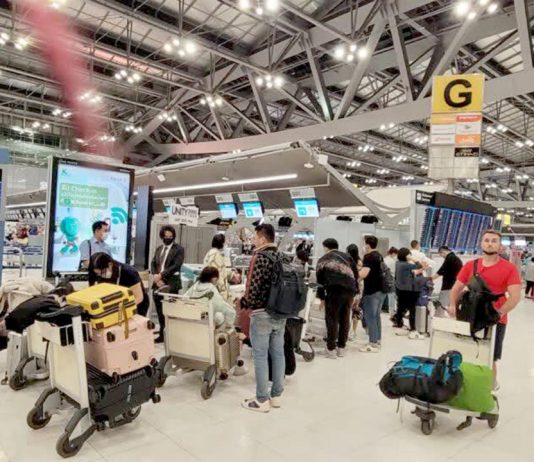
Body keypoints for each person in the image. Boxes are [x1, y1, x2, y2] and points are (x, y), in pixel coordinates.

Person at [447, 230, 521, 389]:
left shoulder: (509, 268)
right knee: (467, 350)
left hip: (495, 320)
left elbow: (515, 296)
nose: (490, 243)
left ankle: (490, 388)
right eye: (486, 240)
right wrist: (452, 304)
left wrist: (499, 313)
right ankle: (465, 386)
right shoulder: (470, 266)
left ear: (500, 246)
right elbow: (456, 288)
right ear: (481, 243)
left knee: (490, 357)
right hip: (470, 315)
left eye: (494, 241)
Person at [241, 224, 285, 413]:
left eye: (255, 237)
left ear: (262, 239)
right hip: (280, 313)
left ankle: (261, 399)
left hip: (261, 313)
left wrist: (245, 303)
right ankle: (276, 396)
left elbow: (253, 286)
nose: (253, 240)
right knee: (278, 354)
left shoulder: (260, 257)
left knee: (260, 355)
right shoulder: (282, 256)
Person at [316, 239, 358, 359]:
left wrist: (321, 298)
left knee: (332, 318)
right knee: (345, 318)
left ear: (326, 247)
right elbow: (355, 275)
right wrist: (356, 292)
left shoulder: (323, 259)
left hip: (334, 290)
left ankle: (331, 349)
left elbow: (320, 281)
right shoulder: (348, 257)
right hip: (349, 291)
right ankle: (341, 347)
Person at [151, 226, 184, 343]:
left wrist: (161, 275)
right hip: (157, 283)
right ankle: (162, 334)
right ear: (162, 236)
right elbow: (153, 263)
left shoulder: (178, 249)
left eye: (170, 236)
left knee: (170, 311)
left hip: (171, 284)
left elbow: (176, 265)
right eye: (166, 236)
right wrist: (156, 276)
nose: (168, 238)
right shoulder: (159, 249)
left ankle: (172, 336)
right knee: (160, 311)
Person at [89, 252, 150, 317]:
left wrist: (120, 310)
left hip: (137, 304)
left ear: (110, 264)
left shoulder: (129, 272)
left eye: (102, 272)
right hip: (117, 305)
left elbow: (138, 297)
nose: (100, 275)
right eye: (98, 274)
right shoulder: (99, 275)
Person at [359, 235, 386, 352]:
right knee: (376, 316)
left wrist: (355, 276)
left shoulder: (368, 256)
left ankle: (373, 343)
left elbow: (364, 273)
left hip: (372, 290)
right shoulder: (379, 255)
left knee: (370, 316)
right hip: (381, 290)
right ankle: (377, 340)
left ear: (367, 245)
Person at [393, 248, 427, 338]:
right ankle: (413, 329)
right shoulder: (405, 265)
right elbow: (419, 265)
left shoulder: (398, 263)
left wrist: (420, 269)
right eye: (409, 254)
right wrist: (413, 259)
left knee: (400, 308)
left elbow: (411, 273)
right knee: (412, 309)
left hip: (400, 290)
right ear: (406, 255)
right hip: (409, 290)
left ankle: (400, 326)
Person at [432, 245, 463, 310]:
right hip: (456, 284)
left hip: (448, 285)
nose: (441, 256)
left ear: (443, 252)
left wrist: (430, 279)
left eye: (440, 255)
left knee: (442, 304)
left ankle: (440, 314)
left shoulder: (450, 258)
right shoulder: (456, 258)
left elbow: (441, 271)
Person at [203, 234, 231, 301]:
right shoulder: (216, 255)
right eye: (224, 242)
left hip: (209, 286)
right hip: (216, 289)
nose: (225, 244)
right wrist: (223, 290)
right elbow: (218, 273)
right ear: (221, 243)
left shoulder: (210, 252)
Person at [346, 243, 363, 341]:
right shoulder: (360, 262)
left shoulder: (349, 262)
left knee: (351, 309)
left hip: (353, 287)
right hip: (358, 288)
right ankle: (353, 331)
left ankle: (350, 331)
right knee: (355, 309)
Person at [383, 247, 399, 317]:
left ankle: (385, 308)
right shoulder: (392, 261)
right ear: (393, 253)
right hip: (391, 279)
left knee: (385, 295)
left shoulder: (384, 259)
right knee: (391, 295)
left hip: (383, 279)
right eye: (396, 255)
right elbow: (394, 272)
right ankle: (391, 310)